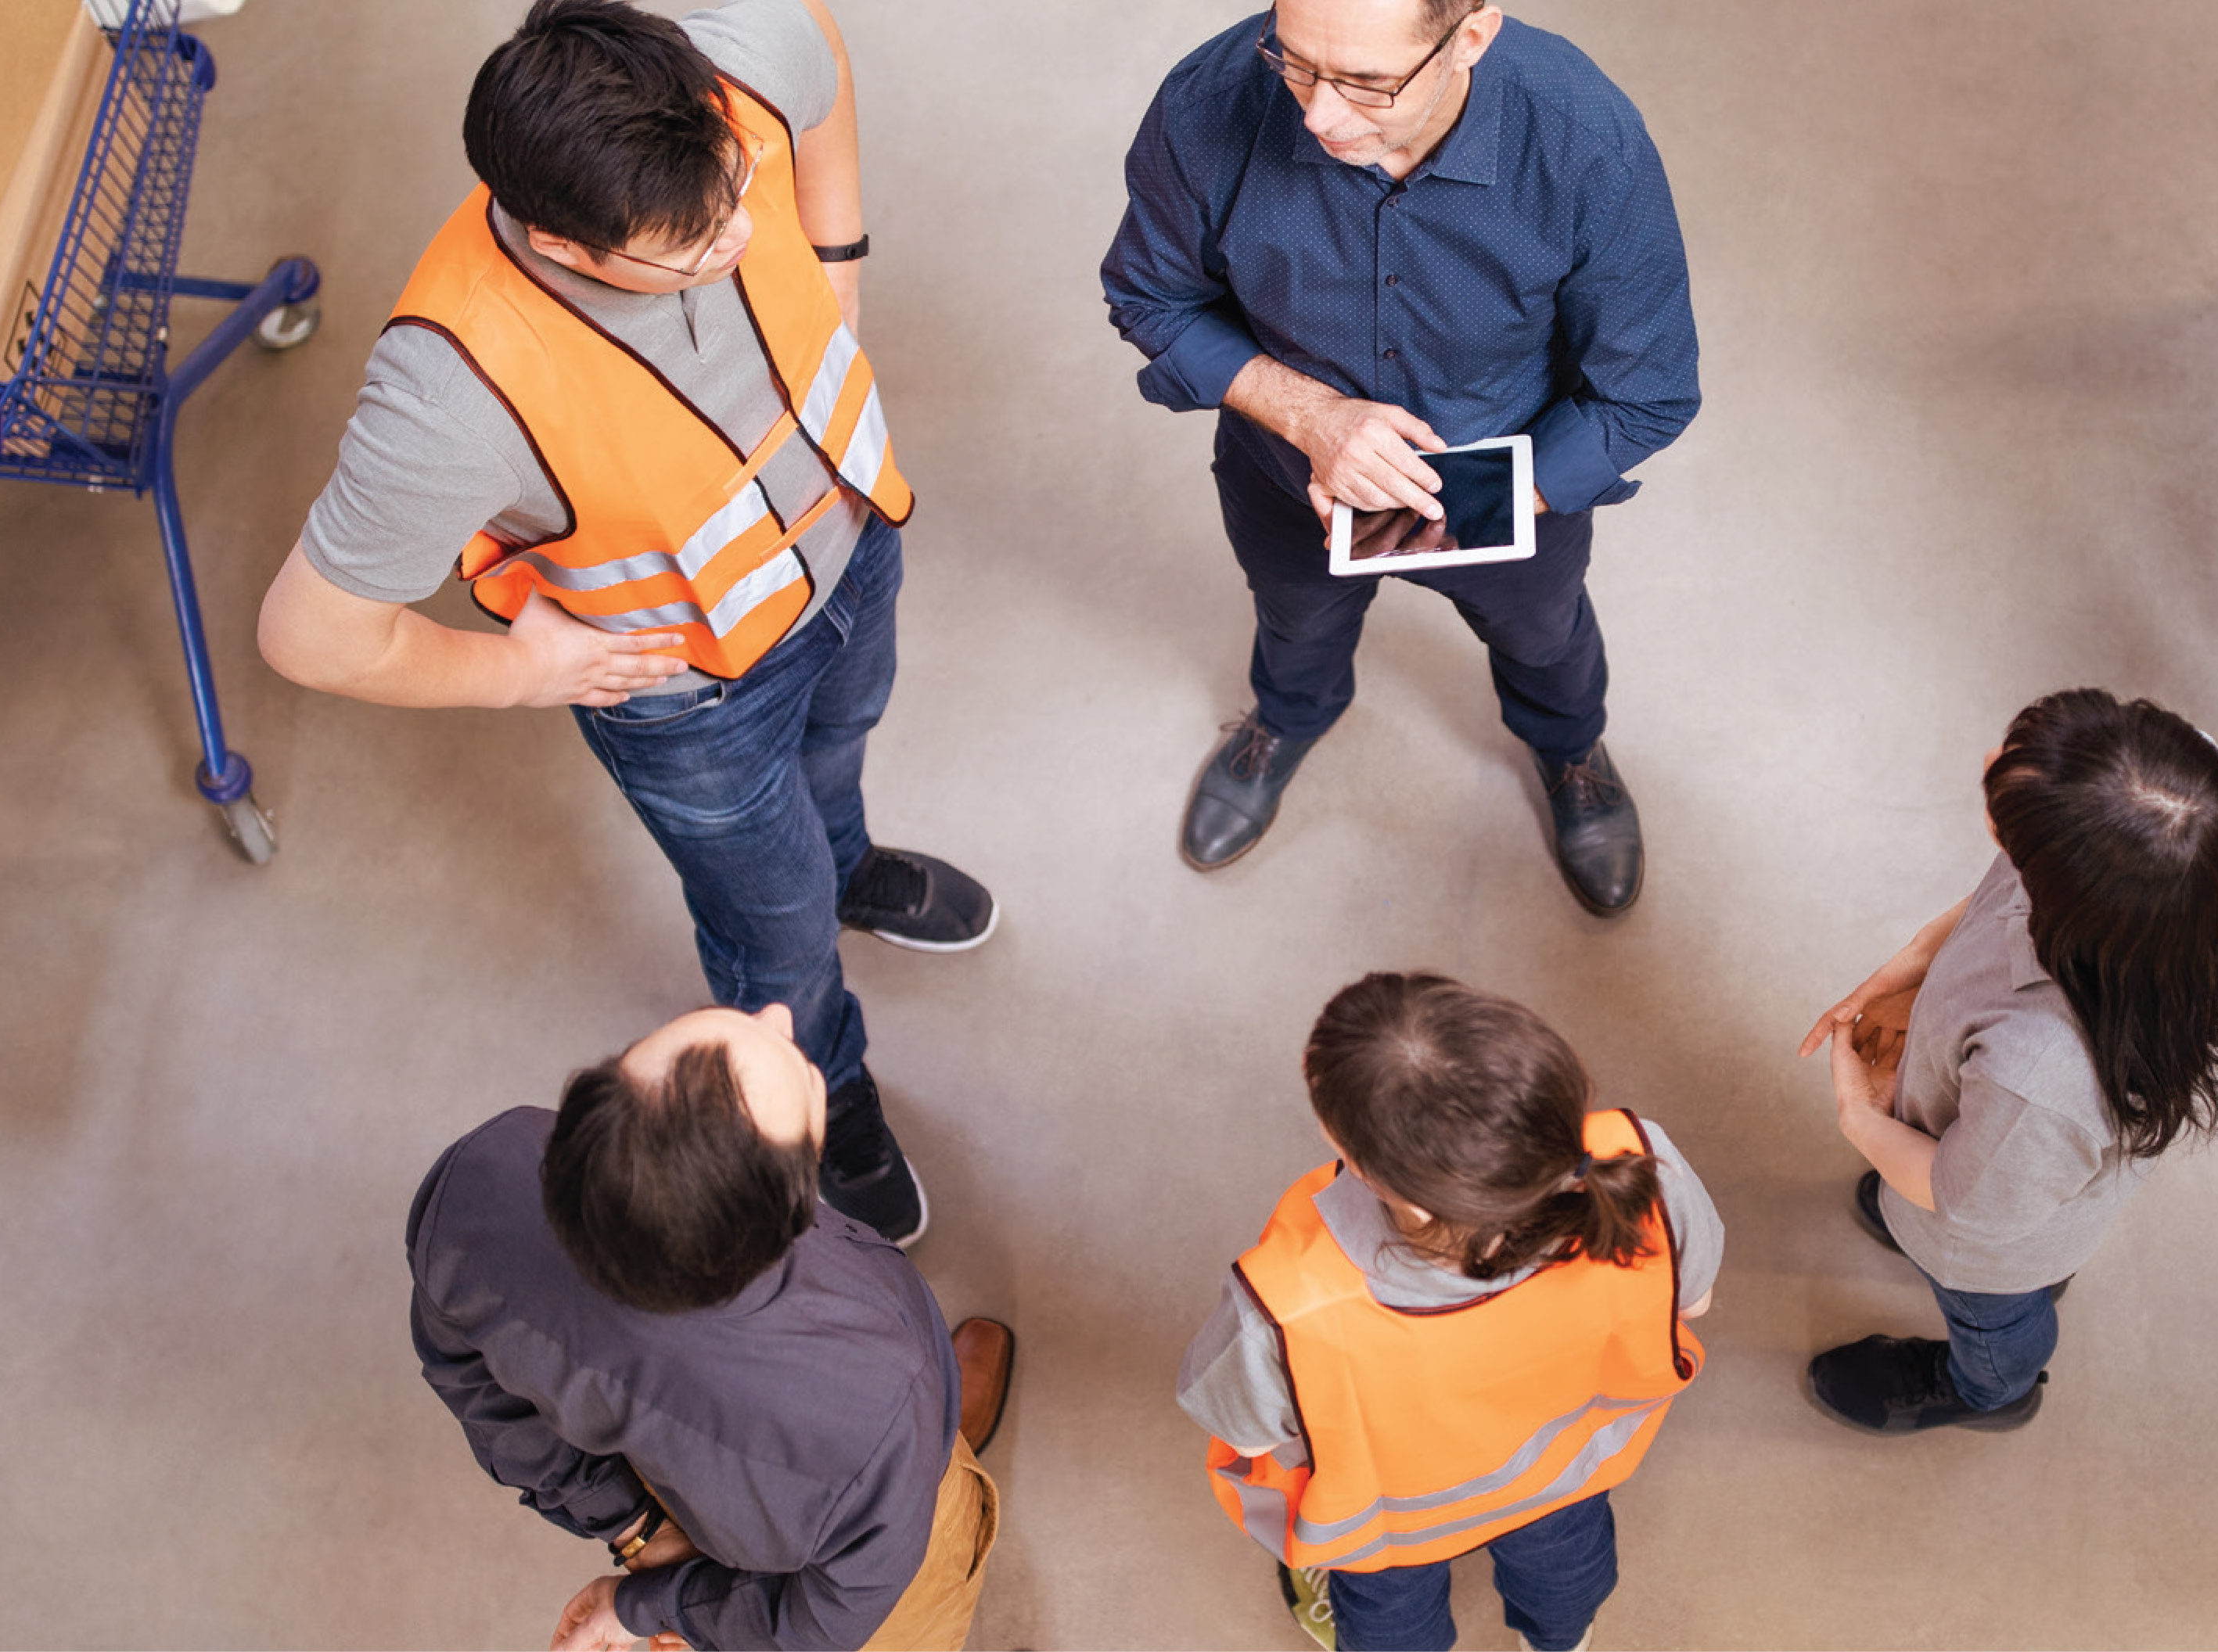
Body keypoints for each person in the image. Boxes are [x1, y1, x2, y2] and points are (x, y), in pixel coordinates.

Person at [260, 0, 980, 1244]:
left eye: (739, 193)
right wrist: (524, 672)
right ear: (565, 242)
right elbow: (311, 633)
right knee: (777, 934)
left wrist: (838, 255)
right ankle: (827, 1080)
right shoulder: (452, 394)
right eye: (693, 248)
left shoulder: (732, 69)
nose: (741, 238)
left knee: (845, 740)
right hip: (694, 700)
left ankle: (851, 861)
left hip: (853, 541)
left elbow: (815, 48)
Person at [1102, 0, 1702, 915]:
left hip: (1516, 489)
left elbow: (1647, 390)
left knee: (1546, 642)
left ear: (1470, 37)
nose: (1317, 115)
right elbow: (1150, 297)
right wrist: (1313, 419)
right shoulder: (1208, 101)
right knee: (1294, 623)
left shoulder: (1587, 144)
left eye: (1368, 83)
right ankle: (1288, 719)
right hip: (1287, 475)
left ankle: (1570, 749)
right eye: (1294, 61)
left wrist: (1479, 501)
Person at [406, 1001, 1018, 1651]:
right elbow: (820, 1626)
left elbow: (463, 1370)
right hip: (867, 1493)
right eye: (796, 1069)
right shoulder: (875, 1394)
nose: (777, 1014)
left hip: (782, 1478)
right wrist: (656, 1608)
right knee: (908, 1546)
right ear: (791, 1213)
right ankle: (928, 1465)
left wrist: (634, 1527)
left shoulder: (480, 1180)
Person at [1180, 973, 1717, 1651]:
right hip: (1564, 1471)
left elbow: (1247, 1435)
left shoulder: (1289, 1301)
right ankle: (1560, 1640)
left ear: (1377, 1176)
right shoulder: (1641, 1170)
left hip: (1386, 1522)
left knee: (1391, 1621)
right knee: (1566, 1577)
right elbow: (1693, 1301)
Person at [1795, 689, 2218, 1434]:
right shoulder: (2166, 857)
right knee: (1922, 1195)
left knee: (1992, 1319)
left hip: (1985, 1242)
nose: (1991, 763)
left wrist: (1862, 1117)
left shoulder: (2038, 1076)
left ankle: (1989, 1391)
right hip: (2007, 1165)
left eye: (2015, 837)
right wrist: (1918, 964)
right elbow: (1997, 897)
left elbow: (1965, 1201)